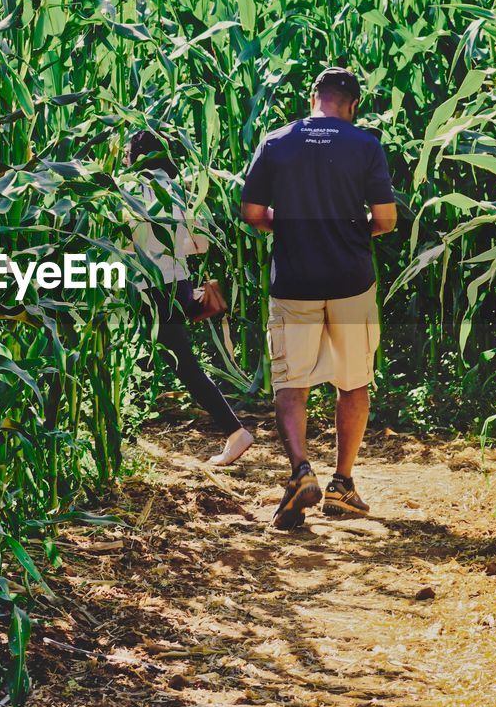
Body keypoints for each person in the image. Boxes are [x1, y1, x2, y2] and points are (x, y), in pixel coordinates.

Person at [240, 67, 397, 529]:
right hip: (351, 279)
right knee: (353, 382)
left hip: (294, 280)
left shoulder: (276, 142)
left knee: (291, 383)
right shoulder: (365, 145)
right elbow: (385, 219)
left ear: (314, 98)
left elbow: (251, 212)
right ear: (350, 105)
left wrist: (286, 229)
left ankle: (300, 472)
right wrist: (350, 236)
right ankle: (343, 484)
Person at [128, 131, 255, 467]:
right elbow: (201, 244)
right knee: (148, 359)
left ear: (135, 156)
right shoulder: (179, 192)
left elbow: (120, 244)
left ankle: (236, 432)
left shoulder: (128, 191)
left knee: (181, 364)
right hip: (178, 286)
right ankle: (125, 436)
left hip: (148, 289)